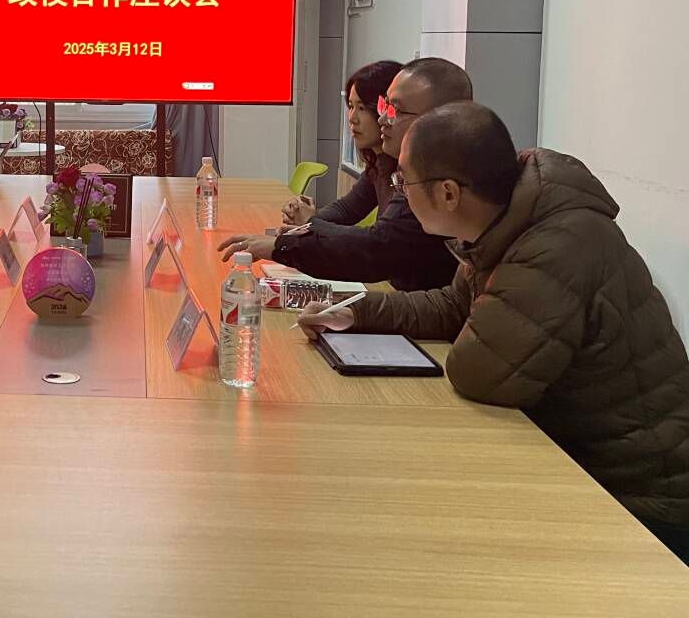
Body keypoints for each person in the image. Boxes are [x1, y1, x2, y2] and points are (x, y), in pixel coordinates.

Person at [297, 102, 689, 562]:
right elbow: (452, 306)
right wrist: (356, 311)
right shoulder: (509, 222)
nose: (398, 191)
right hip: (578, 462)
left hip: (637, 500)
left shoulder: (555, 245)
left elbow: (479, 373)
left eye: (404, 181)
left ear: (448, 193)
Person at [217, 57, 472, 291]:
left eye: (395, 110)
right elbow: (353, 215)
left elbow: (378, 247)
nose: (382, 118)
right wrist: (302, 231)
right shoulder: (387, 164)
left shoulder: (432, 180)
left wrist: (296, 237)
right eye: (383, 107)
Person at [280, 59, 402, 228]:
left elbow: (378, 239)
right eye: (351, 106)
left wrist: (311, 222)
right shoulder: (378, 163)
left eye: (362, 108)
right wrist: (304, 216)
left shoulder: (407, 173)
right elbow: (347, 209)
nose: (352, 118)